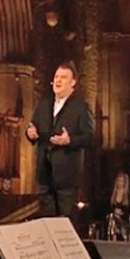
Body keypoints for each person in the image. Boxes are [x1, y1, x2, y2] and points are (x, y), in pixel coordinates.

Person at [25, 62, 94, 222]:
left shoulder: (80, 107)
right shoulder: (43, 104)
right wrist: (30, 134)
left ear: (73, 83)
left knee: (65, 225)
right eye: (56, 77)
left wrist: (70, 140)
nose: (58, 80)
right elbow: (31, 128)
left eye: (63, 78)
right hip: (44, 176)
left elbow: (89, 137)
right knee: (47, 224)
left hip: (67, 178)